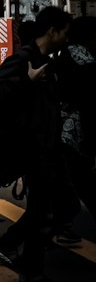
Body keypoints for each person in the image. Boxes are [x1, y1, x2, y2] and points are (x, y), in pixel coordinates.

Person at [0, 6, 73, 282]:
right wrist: (28, 80)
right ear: (52, 31)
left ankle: (18, 254)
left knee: (54, 207)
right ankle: (31, 273)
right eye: (65, 32)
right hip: (33, 149)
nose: (66, 38)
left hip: (46, 146)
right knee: (42, 211)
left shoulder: (46, 60)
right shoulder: (24, 59)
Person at [57, 16, 96, 229]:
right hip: (76, 136)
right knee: (82, 192)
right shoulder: (86, 62)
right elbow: (89, 105)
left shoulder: (66, 55)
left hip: (64, 133)